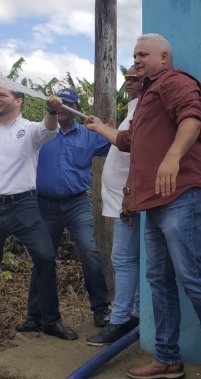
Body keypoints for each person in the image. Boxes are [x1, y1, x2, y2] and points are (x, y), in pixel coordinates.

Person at [84, 34, 201, 379]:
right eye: (134, 54)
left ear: (165, 57)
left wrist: (172, 157)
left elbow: (191, 118)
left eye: (143, 54)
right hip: (153, 203)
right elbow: (127, 141)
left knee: (190, 277)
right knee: (158, 279)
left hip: (185, 193)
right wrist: (99, 129)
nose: (136, 59)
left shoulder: (174, 81)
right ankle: (168, 358)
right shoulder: (144, 100)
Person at [0, 86, 77, 363]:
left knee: (46, 257)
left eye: (2, 95)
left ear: (18, 101)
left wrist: (51, 110)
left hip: (23, 206)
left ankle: (50, 320)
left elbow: (49, 130)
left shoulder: (31, 129)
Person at [16, 87, 111, 334]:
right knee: (43, 257)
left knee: (89, 251)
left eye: (67, 103)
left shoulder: (89, 135)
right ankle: (34, 316)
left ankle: (101, 308)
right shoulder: (43, 133)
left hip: (77, 203)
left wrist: (110, 129)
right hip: (45, 205)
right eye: (58, 103)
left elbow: (120, 145)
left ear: (76, 109)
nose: (61, 108)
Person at [86, 66, 142, 346]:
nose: (128, 81)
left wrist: (102, 128)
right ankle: (135, 315)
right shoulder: (134, 108)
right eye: (127, 77)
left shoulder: (143, 108)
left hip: (128, 200)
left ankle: (121, 321)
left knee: (124, 259)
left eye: (134, 77)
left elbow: (131, 147)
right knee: (133, 260)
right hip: (125, 199)